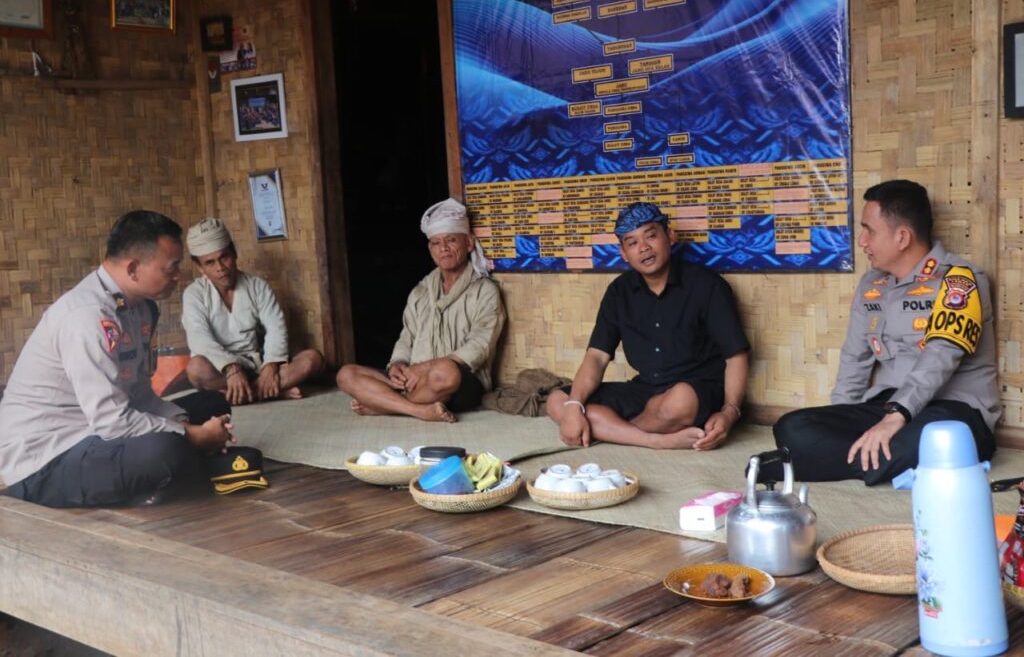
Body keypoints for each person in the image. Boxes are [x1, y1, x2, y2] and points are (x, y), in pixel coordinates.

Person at [771, 180, 1000, 485]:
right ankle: (871, 464)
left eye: (869, 231)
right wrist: (843, 418)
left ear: (902, 236)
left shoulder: (960, 281)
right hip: (884, 408)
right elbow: (855, 357)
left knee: (936, 440)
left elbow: (940, 356)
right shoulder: (872, 285)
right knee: (792, 428)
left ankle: (809, 465)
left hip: (953, 412)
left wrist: (896, 417)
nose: (862, 241)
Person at [0, 211, 235, 508]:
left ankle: (171, 473)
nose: (179, 275)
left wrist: (186, 423)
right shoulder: (86, 317)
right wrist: (192, 436)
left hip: (97, 431)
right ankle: (176, 469)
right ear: (134, 268)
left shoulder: (141, 308)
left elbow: (138, 395)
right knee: (167, 450)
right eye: (172, 267)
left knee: (212, 404)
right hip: (48, 457)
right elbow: (112, 420)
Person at [546, 202, 750, 450]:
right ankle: (657, 440)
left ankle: (612, 429)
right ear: (623, 253)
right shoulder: (619, 292)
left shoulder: (707, 285)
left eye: (651, 236)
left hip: (696, 390)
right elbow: (597, 356)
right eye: (632, 243)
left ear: (670, 236)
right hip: (644, 389)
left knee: (680, 400)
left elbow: (735, 355)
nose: (643, 248)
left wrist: (730, 412)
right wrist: (574, 407)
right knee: (558, 401)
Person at [336, 198, 506, 422]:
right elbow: (407, 337)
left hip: (459, 382)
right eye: (436, 243)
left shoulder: (485, 290)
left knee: (445, 371)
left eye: (451, 240)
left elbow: (479, 346)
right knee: (346, 374)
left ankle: (384, 404)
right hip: (413, 380)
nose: (443, 248)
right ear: (430, 249)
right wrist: (398, 365)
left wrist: (425, 368)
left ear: (469, 243)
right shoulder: (421, 291)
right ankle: (418, 409)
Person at [181, 218, 324, 406]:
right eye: (210, 262)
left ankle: (246, 393)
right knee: (196, 369)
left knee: (312, 359)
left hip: (257, 365)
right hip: (221, 370)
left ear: (234, 252)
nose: (220, 267)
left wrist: (270, 366)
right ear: (199, 266)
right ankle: (271, 391)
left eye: (224, 257)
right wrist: (231, 368)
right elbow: (200, 340)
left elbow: (276, 327)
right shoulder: (194, 294)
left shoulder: (257, 286)